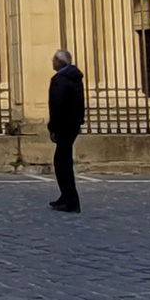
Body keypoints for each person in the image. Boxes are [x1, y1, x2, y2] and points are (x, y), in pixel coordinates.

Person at [47, 49, 85, 213]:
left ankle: (71, 200)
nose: (52, 62)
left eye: (53, 60)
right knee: (63, 161)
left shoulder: (60, 80)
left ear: (58, 62)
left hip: (63, 126)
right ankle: (66, 196)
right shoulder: (75, 78)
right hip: (73, 125)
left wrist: (53, 127)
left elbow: (57, 105)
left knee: (62, 164)